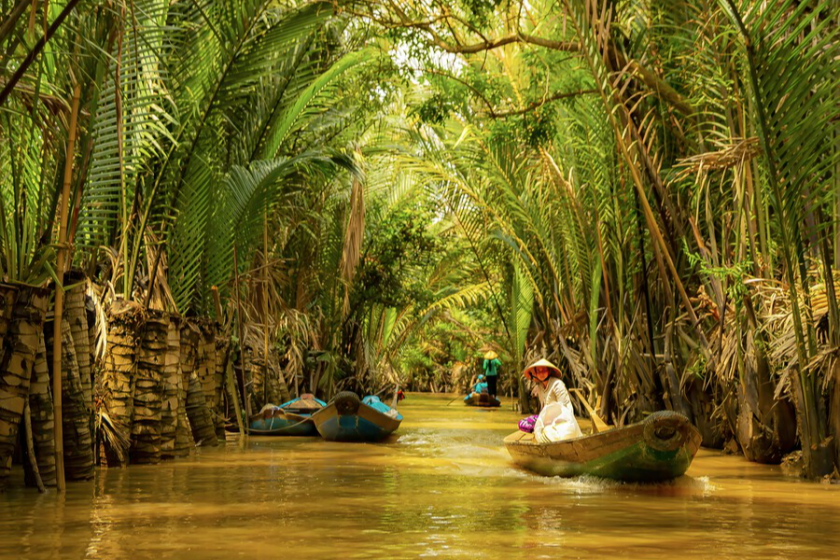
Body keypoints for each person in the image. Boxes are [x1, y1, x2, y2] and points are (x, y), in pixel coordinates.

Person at [522, 359, 582, 443]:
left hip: (562, 422)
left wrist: (549, 424)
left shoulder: (557, 384)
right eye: (539, 371)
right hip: (548, 422)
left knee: (546, 433)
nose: (541, 373)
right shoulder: (539, 387)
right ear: (535, 373)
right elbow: (543, 410)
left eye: (544, 370)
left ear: (549, 371)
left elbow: (565, 409)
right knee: (522, 424)